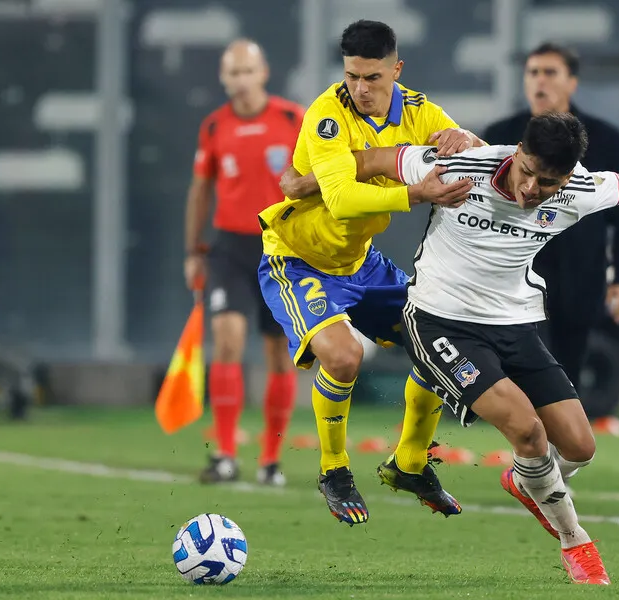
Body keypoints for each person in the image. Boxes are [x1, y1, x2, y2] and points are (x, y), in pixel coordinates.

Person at [335, 113, 619, 583]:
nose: (530, 189)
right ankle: (576, 543)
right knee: (527, 431)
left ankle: (526, 480)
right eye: (527, 171)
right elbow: (366, 161)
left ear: (568, 177)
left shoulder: (577, 191)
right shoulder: (462, 166)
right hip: (440, 322)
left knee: (581, 448)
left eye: (547, 183)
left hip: (516, 325)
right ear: (517, 152)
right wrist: (304, 181)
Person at [257, 20, 482, 526]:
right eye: (353, 76)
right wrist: (416, 193)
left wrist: (466, 136)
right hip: (297, 259)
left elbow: (477, 155)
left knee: (436, 337)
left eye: (373, 77)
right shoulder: (327, 115)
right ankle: (334, 469)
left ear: (396, 70)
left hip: (360, 263)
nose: (360, 88)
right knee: (343, 356)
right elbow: (342, 198)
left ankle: (409, 462)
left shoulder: (419, 111)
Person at [482, 42, 619, 395]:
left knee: (567, 375)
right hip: (515, 275)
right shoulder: (499, 137)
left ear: (572, 82)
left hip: (580, 276)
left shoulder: (607, 140)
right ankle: (528, 443)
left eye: (550, 73)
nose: (541, 81)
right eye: (533, 72)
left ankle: (558, 447)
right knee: (524, 372)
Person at [185, 40, 304, 486]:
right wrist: (193, 249)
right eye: (231, 72)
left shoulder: (294, 119)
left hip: (280, 247)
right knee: (227, 340)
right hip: (230, 248)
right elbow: (200, 190)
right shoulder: (214, 126)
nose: (239, 80)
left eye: (246, 71)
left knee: (278, 354)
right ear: (223, 77)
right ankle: (226, 454)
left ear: (263, 72)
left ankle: (271, 461)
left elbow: (319, 182)